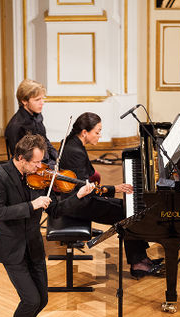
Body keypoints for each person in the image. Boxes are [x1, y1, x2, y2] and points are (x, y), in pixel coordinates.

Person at [0, 134, 94, 317]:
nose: (41, 167)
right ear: (20, 158)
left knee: (42, 299)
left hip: (33, 245)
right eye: (35, 162)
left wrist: (77, 196)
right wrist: (30, 206)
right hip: (12, 248)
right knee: (31, 299)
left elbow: (55, 210)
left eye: (41, 161)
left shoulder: (38, 179)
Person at [59, 112, 164, 278]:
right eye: (97, 131)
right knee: (128, 214)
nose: (100, 135)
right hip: (77, 204)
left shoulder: (73, 143)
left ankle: (142, 259)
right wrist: (114, 188)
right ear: (85, 132)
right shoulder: (75, 152)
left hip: (81, 198)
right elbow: (84, 189)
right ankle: (138, 264)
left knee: (128, 209)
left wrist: (109, 191)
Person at [5, 79, 58, 165]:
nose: (42, 103)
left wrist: (57, 157)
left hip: (45, 161)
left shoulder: (37, 116)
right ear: (24, 101)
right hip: (34, 167)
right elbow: (20, 159)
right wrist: (49, 165)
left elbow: (44, 141)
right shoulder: (17, 126)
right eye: (37, 100)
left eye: (42, 98)